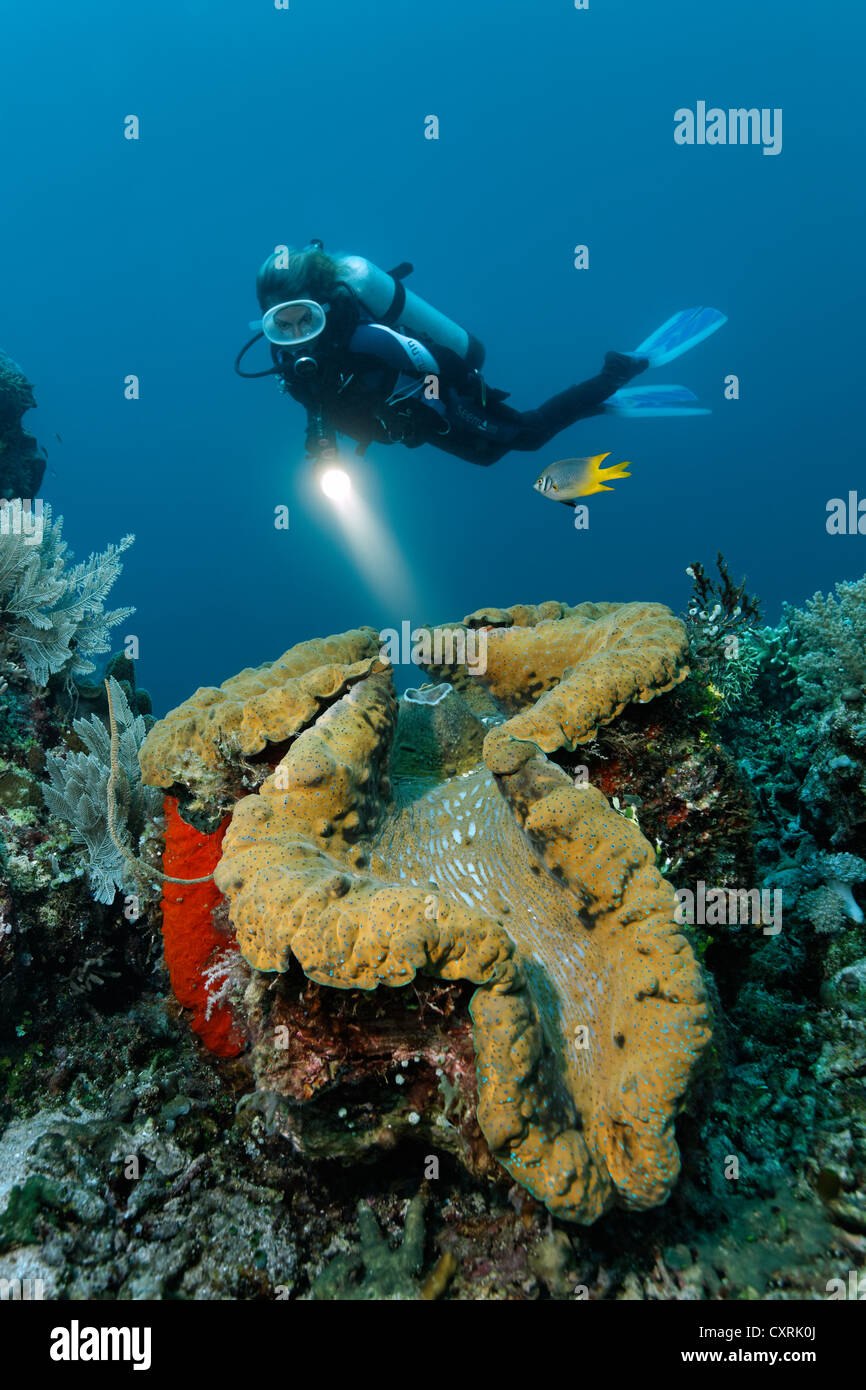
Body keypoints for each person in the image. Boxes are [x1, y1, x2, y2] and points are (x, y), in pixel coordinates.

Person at [235, 240, 725, 470]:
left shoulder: (365, 339)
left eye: (305, 318)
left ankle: (619, 369)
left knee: (527, 436)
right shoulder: (289, 364)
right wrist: (321, 449)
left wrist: (449, 399)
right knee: (488, 458)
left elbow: (434, 359)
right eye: (283, 323)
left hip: (442, 394)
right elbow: (319, 405)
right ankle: (594, 403)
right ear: (268, 322)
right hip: (412, 421)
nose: (297, 333)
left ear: (321, 306)